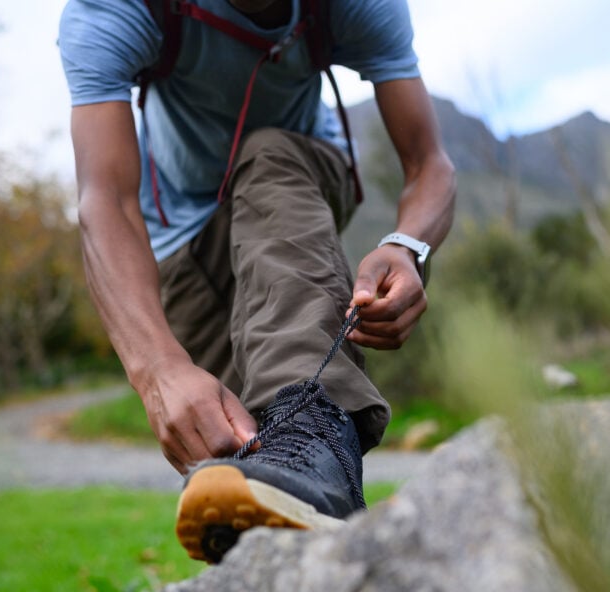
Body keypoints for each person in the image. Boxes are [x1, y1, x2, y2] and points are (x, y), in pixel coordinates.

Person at [59, 0, 455, 563]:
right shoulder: (118, 10)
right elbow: (106, 201)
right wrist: (158, 369)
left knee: (266, 154)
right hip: (179, 247)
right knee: (253, 486)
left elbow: (429, 163)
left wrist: (407, 246)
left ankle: (317, 422)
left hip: (293, 192)